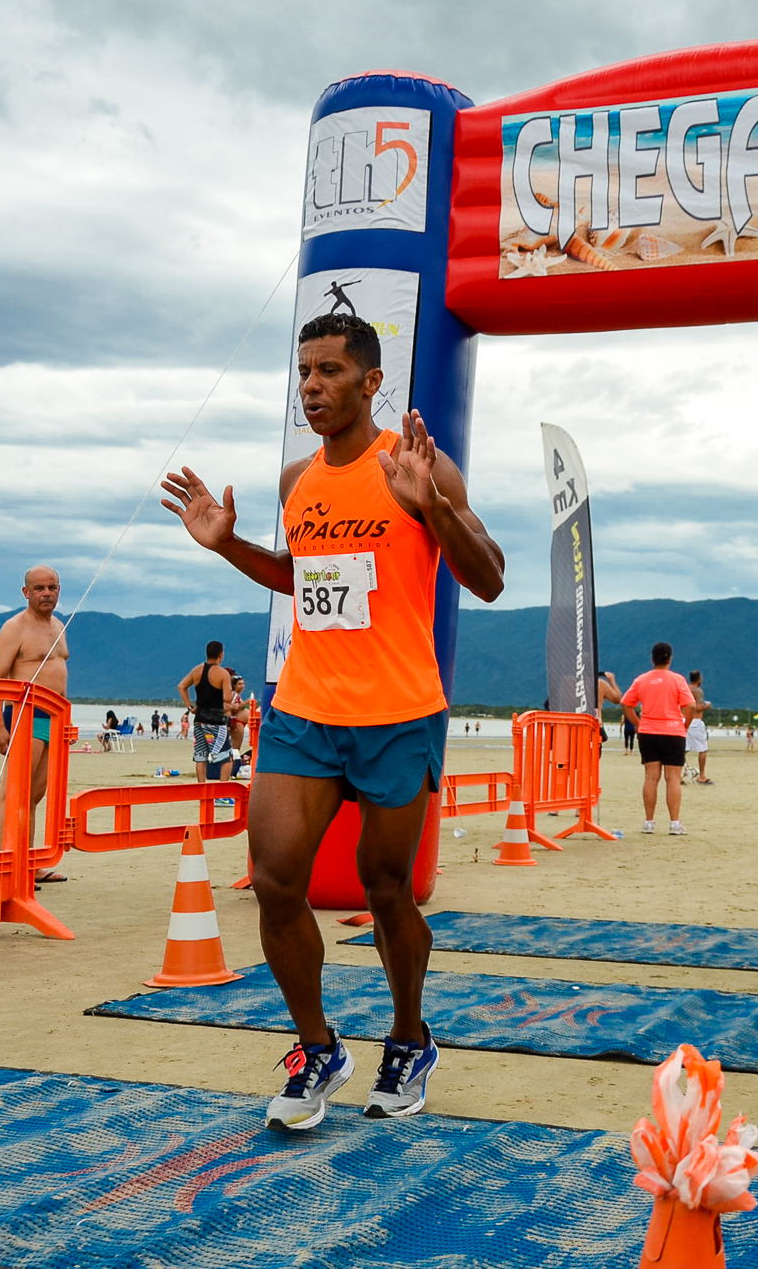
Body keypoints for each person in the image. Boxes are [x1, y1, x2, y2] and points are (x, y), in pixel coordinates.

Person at [161, 311, 504, 1132]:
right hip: (306, 710)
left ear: (371, 381)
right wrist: (227, 546)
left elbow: (488, 578)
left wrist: (436, 510)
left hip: (398, 712)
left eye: (329, 372)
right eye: (304, 373)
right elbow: (299, 575)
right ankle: (317, 1048)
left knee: (388, 890)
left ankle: (409, 1038)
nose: (311, 387)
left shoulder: (418, 467)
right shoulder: (296, 481)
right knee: (278, 880)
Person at [0, 565, 69, 883]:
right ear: (26, 592)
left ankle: (30, 864)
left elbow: (61, 677)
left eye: (52, 587)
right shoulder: (14, 628)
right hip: (24, 715)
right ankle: (4, 867)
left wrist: (66, 719)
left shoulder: (59, 626)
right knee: (12, 794)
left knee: (35, 795)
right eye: (39, 588)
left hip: (53, 717)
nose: (46, 593)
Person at [620, 643, 690, 835]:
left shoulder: (642, 680)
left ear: (653, 659)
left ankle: (649, 822)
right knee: (673, 778)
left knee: (651, 777)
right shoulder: (677, 680)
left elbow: (626, 704)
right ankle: (675, 823)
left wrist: (637, 724)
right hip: (673, 731)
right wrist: (685, 725)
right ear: (670, 658)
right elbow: (690, 705)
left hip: (649, 731)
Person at [179, 641, 237, 780]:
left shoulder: (197, 670)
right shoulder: (223, 674)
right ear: (221, 655)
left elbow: (182, 686)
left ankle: (202, 790)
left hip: (199, 719)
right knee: (227, 757)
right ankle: (222, 793)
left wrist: (190, 707)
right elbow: (227, 698)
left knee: (200, 756)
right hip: (217, 719)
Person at [684, 670, 713, 784]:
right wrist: (707, 706)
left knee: (684, 749)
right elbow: (697, 707)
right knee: (702, 749)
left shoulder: (684, 689)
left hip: (683, 720)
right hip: (695, 721)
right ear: (699, 679)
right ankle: (702, 776)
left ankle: (679, 774)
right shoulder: (697, 691)